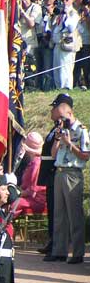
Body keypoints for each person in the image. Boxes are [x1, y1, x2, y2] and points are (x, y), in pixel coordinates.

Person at [44, 94, 89, 264]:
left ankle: (78, 252)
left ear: (67, 111)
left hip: (73, 173)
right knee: (59, 214)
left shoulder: (81, 130)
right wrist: (58, 138)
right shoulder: (61, 130)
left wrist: (70, 143)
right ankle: (59, 250)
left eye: (61, 116)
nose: (59, 119)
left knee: (74, 214)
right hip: (59, 171)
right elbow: (54, 154)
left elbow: (85, 155)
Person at [15, 132, 47, 216]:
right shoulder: (34, 161)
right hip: (31, 196)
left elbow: (32, 191)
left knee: (13, 203)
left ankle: (5, 226)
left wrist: (17, 194)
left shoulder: (37, 164)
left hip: (37, 200)